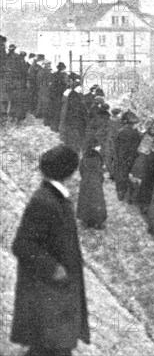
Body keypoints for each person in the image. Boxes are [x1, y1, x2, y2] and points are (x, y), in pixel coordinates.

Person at [11, 145, 90, 356]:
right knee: (52, 347)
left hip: (55, 294)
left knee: (49, 347)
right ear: (69, 172)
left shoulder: (55, 198)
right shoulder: (45, 201)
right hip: (48, 292)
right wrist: (53, 268)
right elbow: (22, 244)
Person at [77, 138, 107, 229]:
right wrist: (100, 179)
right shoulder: (98, 156)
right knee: (98, 201)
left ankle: (85, 221)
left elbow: (81, 170)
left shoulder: (84, 157)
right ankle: (98, 222)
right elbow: (101, 169)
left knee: (85, 201)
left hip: (86, 182)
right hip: (96, 182)